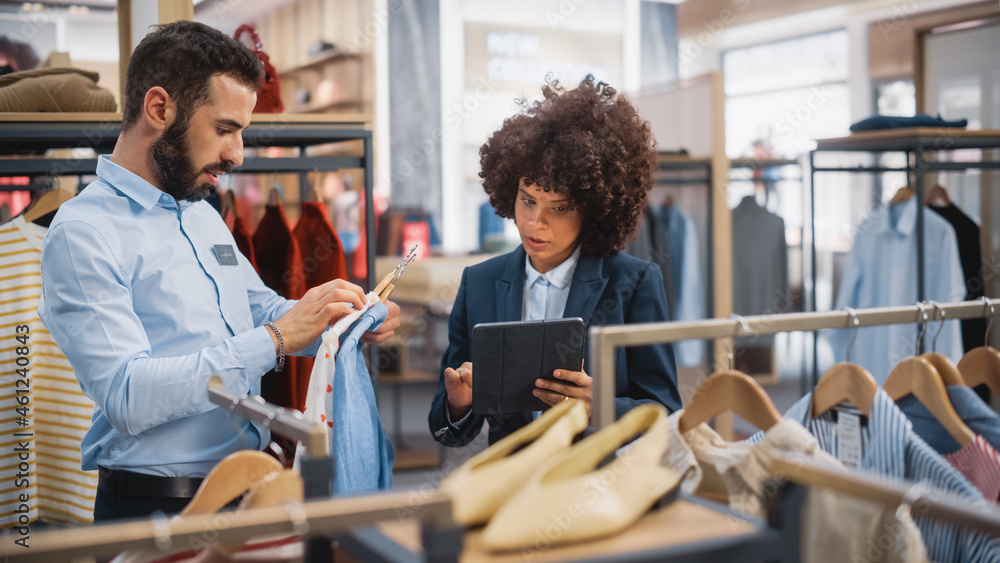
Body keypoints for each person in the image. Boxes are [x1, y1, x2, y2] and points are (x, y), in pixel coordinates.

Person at [37, 21, 398, 521]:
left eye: (241, 132)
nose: (237, 154)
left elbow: (258, 310)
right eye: (225, 129)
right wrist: (276, 338)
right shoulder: (83, 233)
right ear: (159, 109)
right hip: (157, 509)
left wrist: (337, 320)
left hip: (246, 492)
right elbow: (127, 394)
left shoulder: (201, 212)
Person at [429, 75, 682, 447]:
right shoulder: (479, 284)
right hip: (515, 486)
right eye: (527, 200)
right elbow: (445, 429)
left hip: (601, 484)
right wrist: (459, 402)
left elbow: (665, 413)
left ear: (593, 210)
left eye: (559, 208)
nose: (535, 223)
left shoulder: (634, 283)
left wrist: (601, 406)